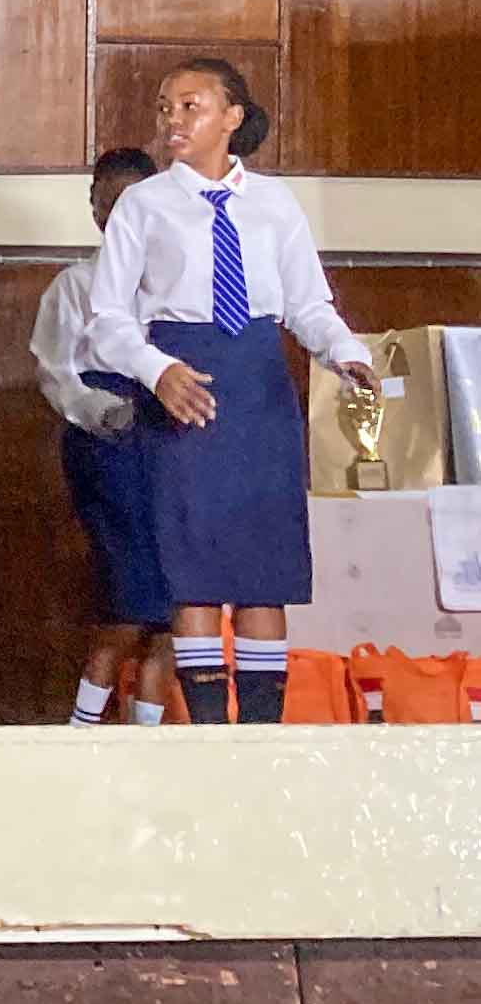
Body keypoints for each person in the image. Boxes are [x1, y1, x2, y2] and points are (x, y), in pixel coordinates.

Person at [85, 59, 374, 725]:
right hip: (182, 381)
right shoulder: (144, 203)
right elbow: (106, 317)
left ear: (231, 117)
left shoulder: (273, 202)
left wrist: (344, 352)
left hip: (256, 385)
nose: (174, 121)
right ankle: (210, 732)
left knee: (259, 569)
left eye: (190, 106)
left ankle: (262, 734)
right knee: (194, 568)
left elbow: (306, 302)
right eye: (165, 109)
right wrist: (155, 370)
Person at [36, 148, 174, 726]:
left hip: (172, 441)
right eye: (106, 201)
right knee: (127, 596)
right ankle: (83, 729)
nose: (117, 214)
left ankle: (147, 741)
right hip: (109, 444)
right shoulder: (76, 284)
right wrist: (97, 410)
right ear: (93, 208)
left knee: (175, 607)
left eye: (130, 202)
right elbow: (54, 367)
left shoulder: (176, 282)